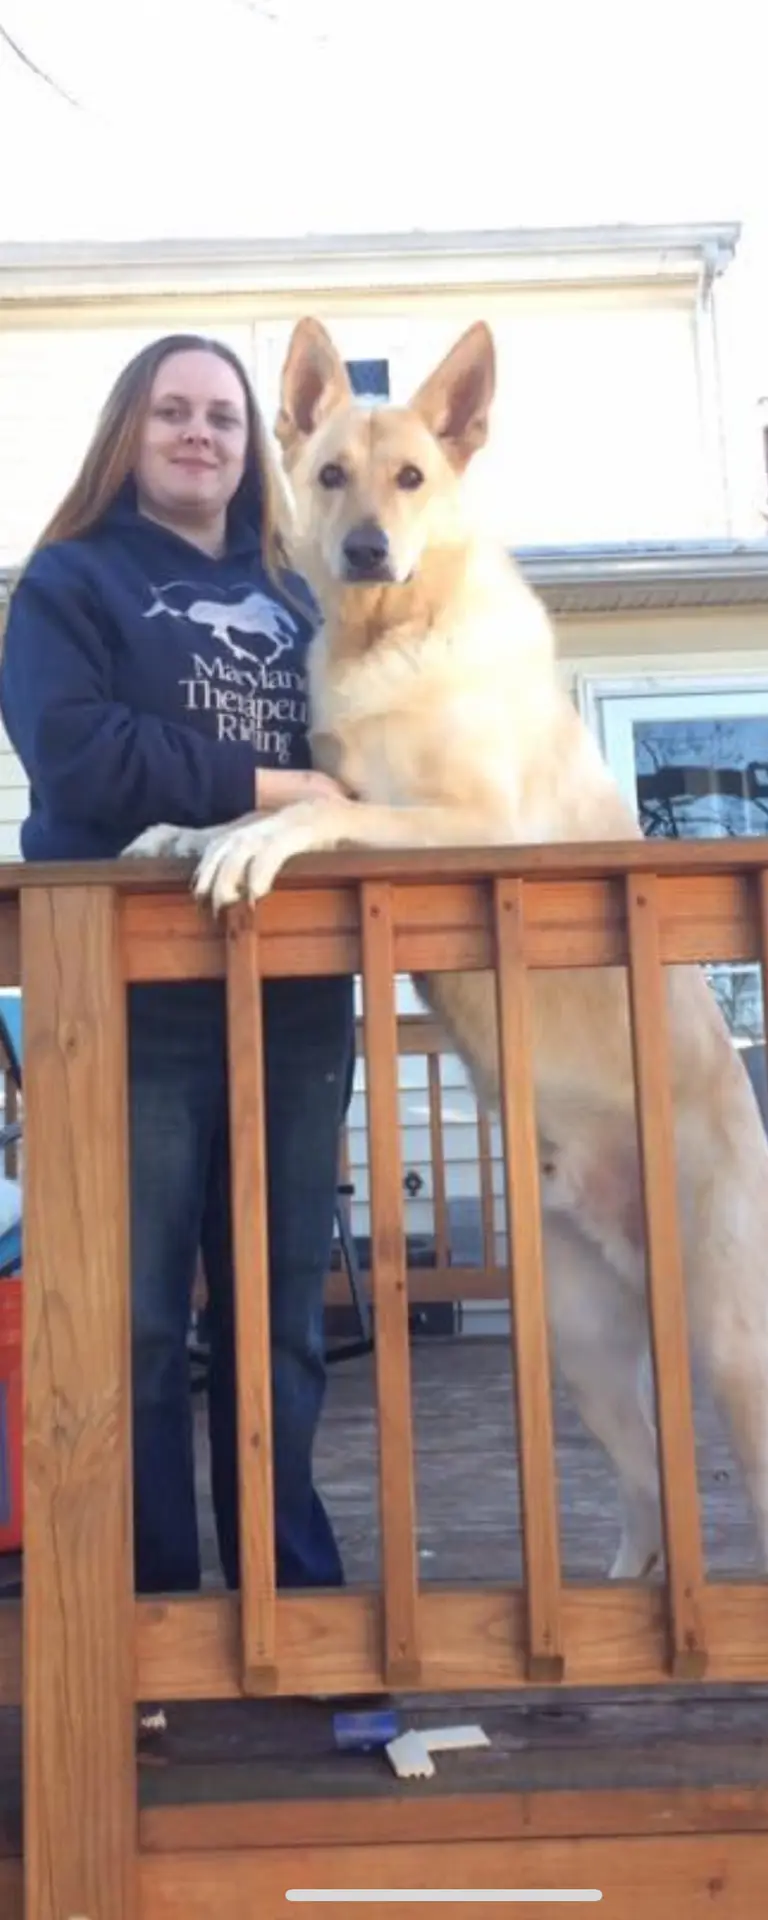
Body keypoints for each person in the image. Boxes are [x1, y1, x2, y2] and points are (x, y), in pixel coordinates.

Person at [0, 333, 355, 1595]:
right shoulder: (70, 582)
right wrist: (277, 782)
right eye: (172, 413)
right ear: (127, 433)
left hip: (300, 989)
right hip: (131, 996)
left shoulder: (302, 585)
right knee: (141, 1322)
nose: (200, 434)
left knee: (282, 1323)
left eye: (221, 415)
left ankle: (290, 1596)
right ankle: (147, 1615)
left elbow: (377, 736)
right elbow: (77, 752)